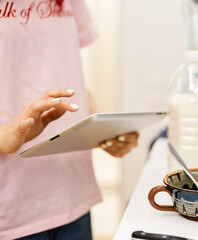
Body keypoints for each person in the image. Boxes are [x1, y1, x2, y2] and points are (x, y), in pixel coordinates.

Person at [0, 0, 138, 239]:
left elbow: (65, 67)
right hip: (12, 208)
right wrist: (5, 136)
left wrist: (102, 128)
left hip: (72, 193)